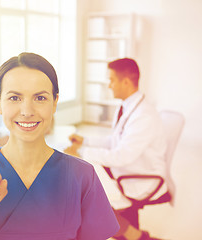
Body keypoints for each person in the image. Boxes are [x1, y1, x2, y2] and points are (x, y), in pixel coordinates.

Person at [0, 52, 119, 239]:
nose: (27, 111)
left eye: (40, 98)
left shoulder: (82, 177)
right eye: (14, 98)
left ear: (54, 102)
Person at [65, 58, 166, 240]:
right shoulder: (126, 106)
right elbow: (115, 140)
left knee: (89, 197)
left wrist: (80, 152)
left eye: (111, 80)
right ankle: (134, 235)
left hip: (139, 176)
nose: (109, 85)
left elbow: (121, 156)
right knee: (85, 186)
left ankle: (134, 235)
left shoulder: (144, 116)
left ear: (126, 82)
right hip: (127, 168)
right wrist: (85, 141)